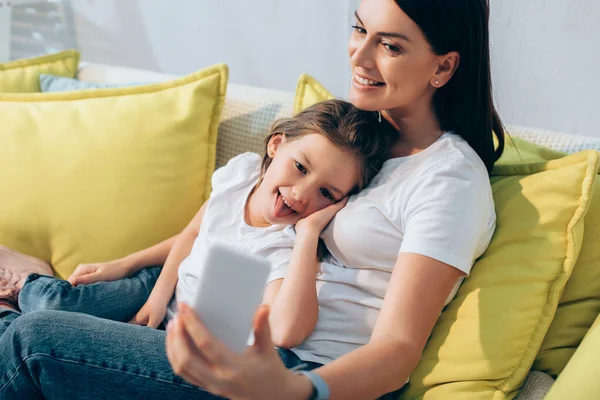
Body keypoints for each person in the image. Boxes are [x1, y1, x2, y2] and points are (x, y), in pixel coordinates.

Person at [0, 0, 506, 399]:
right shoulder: (360, 138)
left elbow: (397, 350)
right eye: (359, 30)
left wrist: (295, 390)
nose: (358, 55)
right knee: (40, 321)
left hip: (297, 371)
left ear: (443, 68)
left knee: (33, 341)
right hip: (238, 329)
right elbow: (223, 225)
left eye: (389, 46)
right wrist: (128, 264)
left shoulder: (448, 179)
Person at [0, 99, 394, 342]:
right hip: (159, 282)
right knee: (55, 299)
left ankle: (11, 305)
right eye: (300, 167)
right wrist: (146, 283)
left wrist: (308, 236)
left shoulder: (283, 247)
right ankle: (28, 277)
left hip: (180, 326)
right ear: (276, 145)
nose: (302, 194)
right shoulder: (240, 175)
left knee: (34, 329)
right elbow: (193, 232)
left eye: (327, 193)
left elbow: (286, 331)